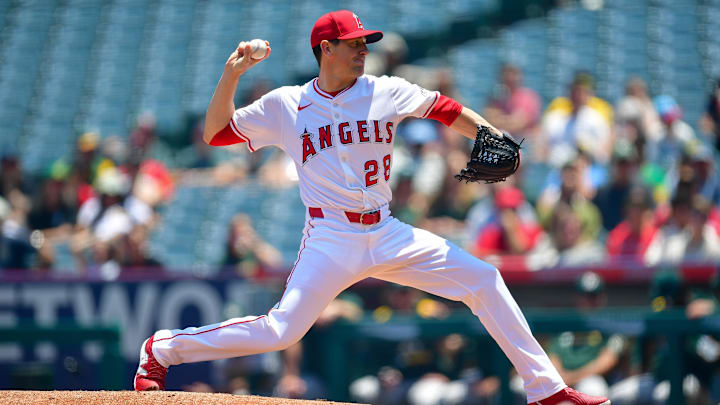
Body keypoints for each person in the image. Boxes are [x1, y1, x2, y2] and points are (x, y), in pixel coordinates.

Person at [133, 10, 610, 405]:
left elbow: (444, 108)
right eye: (353, 43)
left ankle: (546, 390)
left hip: (387, 231)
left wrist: (490, 134)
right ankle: (164, 349)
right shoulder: (287, 105)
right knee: (281, 331)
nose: (363, 49)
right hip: (330, 237)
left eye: (365, 42)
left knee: (483, 279)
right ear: (326, 50)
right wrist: (232, 73)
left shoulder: (384, 89)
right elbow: (217, 135)